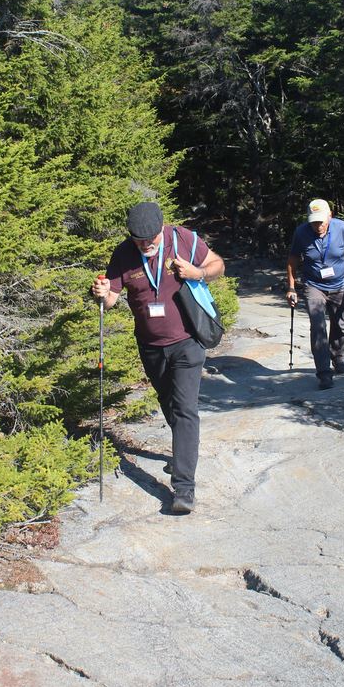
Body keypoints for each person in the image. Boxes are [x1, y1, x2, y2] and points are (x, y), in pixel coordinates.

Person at [91, 201, 225, 513]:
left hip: (187, 341)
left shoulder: (182, 239)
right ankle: (183, 452)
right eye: (138, 240)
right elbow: (111, 299)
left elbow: (218, 265)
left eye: (150, 238)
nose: (145, 244)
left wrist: (198, 272)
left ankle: (183, 488)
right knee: (169, 403)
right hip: (151, 345)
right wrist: (101, 293)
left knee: (185, 409)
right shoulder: (124, 253)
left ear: (161, 229)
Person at [286, 198, 344, 390]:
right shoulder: (301, 232)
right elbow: (292, 260)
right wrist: (291, 288)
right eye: (314, 222)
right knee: (318, 326)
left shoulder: (342, 229)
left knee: (340, 325)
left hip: (340, 285)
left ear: (330, 216)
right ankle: (324, 373)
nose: (318, 226)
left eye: (321, 221)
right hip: (313, 285)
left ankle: (337, 357)